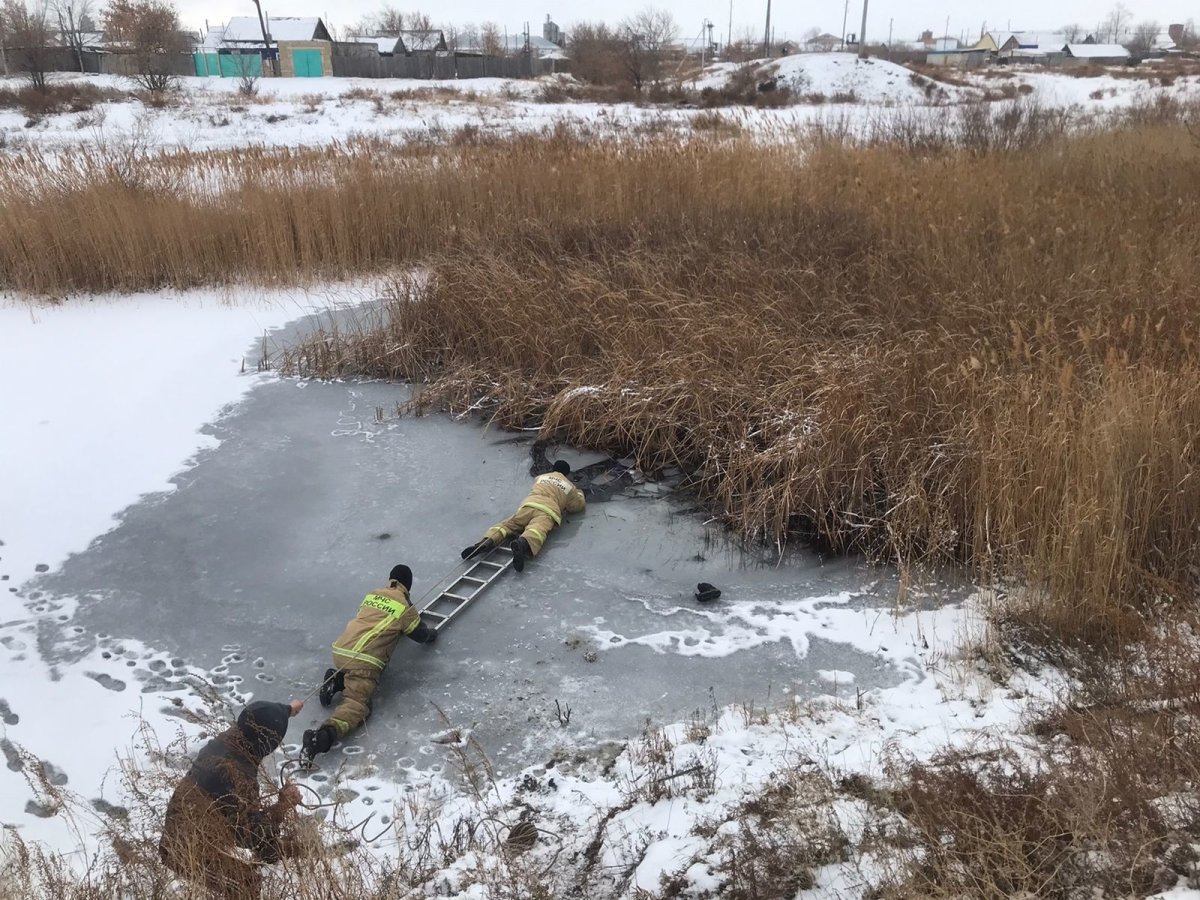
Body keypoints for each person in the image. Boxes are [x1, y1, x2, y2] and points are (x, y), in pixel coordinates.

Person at [159, 698, 305, 899]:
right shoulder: (238, 777)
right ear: (268, 745)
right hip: (182, 851)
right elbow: (259, 843)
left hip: (191, 825)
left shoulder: (228, 741)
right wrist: (283, 806)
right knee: (246, 884)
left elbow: (261, 717)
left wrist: (288, 709)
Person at [302, 564, 436, 764]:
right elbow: (419, 634)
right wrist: (432, 635)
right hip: (364, 660)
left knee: (353, 669)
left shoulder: (373, 594)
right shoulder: (404, 606)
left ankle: (338, 679)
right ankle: (322, 737)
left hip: (341, 649)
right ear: (408, 585)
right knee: (358, 704)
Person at [461, 460, 586, 572]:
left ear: (553, 469)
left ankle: (486, 541)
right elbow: (577, 506)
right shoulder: (569, 486)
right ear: (567, 474)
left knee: (507, 525)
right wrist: (579, 493)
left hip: (528, 505)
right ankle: (522, 543)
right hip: (547, 510)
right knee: (536, 530)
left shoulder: (541, 477)